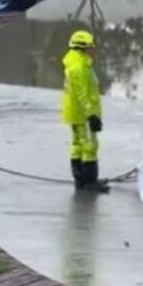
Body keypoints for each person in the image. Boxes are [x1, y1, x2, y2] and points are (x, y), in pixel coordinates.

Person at [62, 30, 110, 193]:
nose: (93, 49)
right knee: (89, 146)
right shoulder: (79, 67)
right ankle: (90, 182)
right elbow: (82, 93)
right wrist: (92, 115)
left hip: (75, 113)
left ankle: (81, 180)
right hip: (83, 115)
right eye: (90, 46)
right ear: (81, 47)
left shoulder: (77, 62)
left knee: (77, 144)